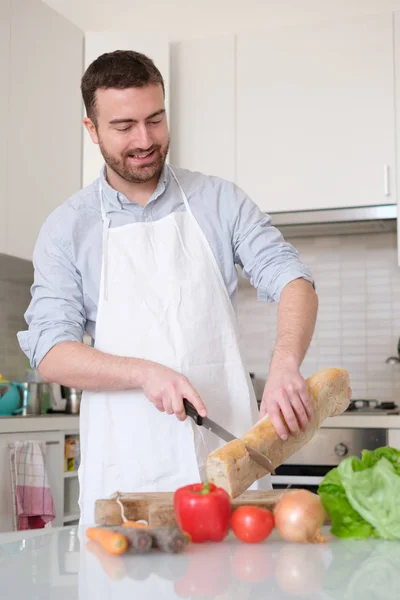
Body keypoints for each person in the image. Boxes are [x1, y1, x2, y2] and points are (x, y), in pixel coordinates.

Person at [17, 50, 318, 524]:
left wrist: (285, 364)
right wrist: (144, 372)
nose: (145, 139)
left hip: (229, 463)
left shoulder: (220, 201)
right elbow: (51, 351)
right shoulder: (66, 228)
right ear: (92, 129)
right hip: (128, 473)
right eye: (124, 126)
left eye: (155, 120)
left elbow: (293, 279)